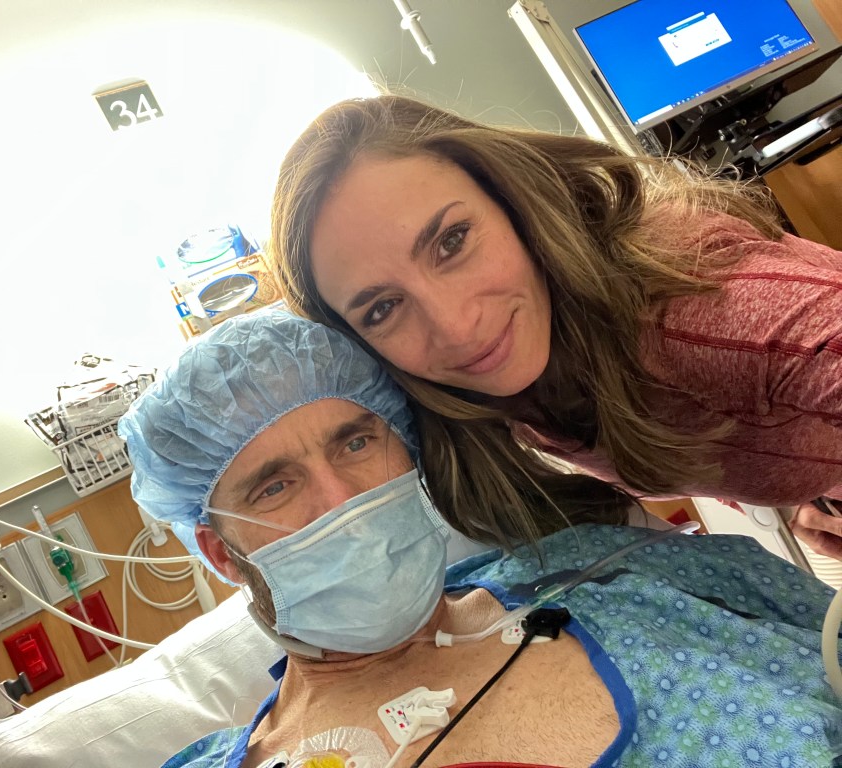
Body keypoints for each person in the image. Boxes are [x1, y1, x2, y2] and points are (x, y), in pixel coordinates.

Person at [119, 310, 842, 768]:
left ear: (404, 446)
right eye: (275, 486)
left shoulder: (607, 571)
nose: (343, 499)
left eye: (356, 442)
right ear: (222, 553)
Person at [266, 93, 842, 562]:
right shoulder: (508, 381)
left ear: (509, 198)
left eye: (452, 241)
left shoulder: (704, 318)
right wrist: (800, 489)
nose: (458, 327)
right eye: (382, 309)